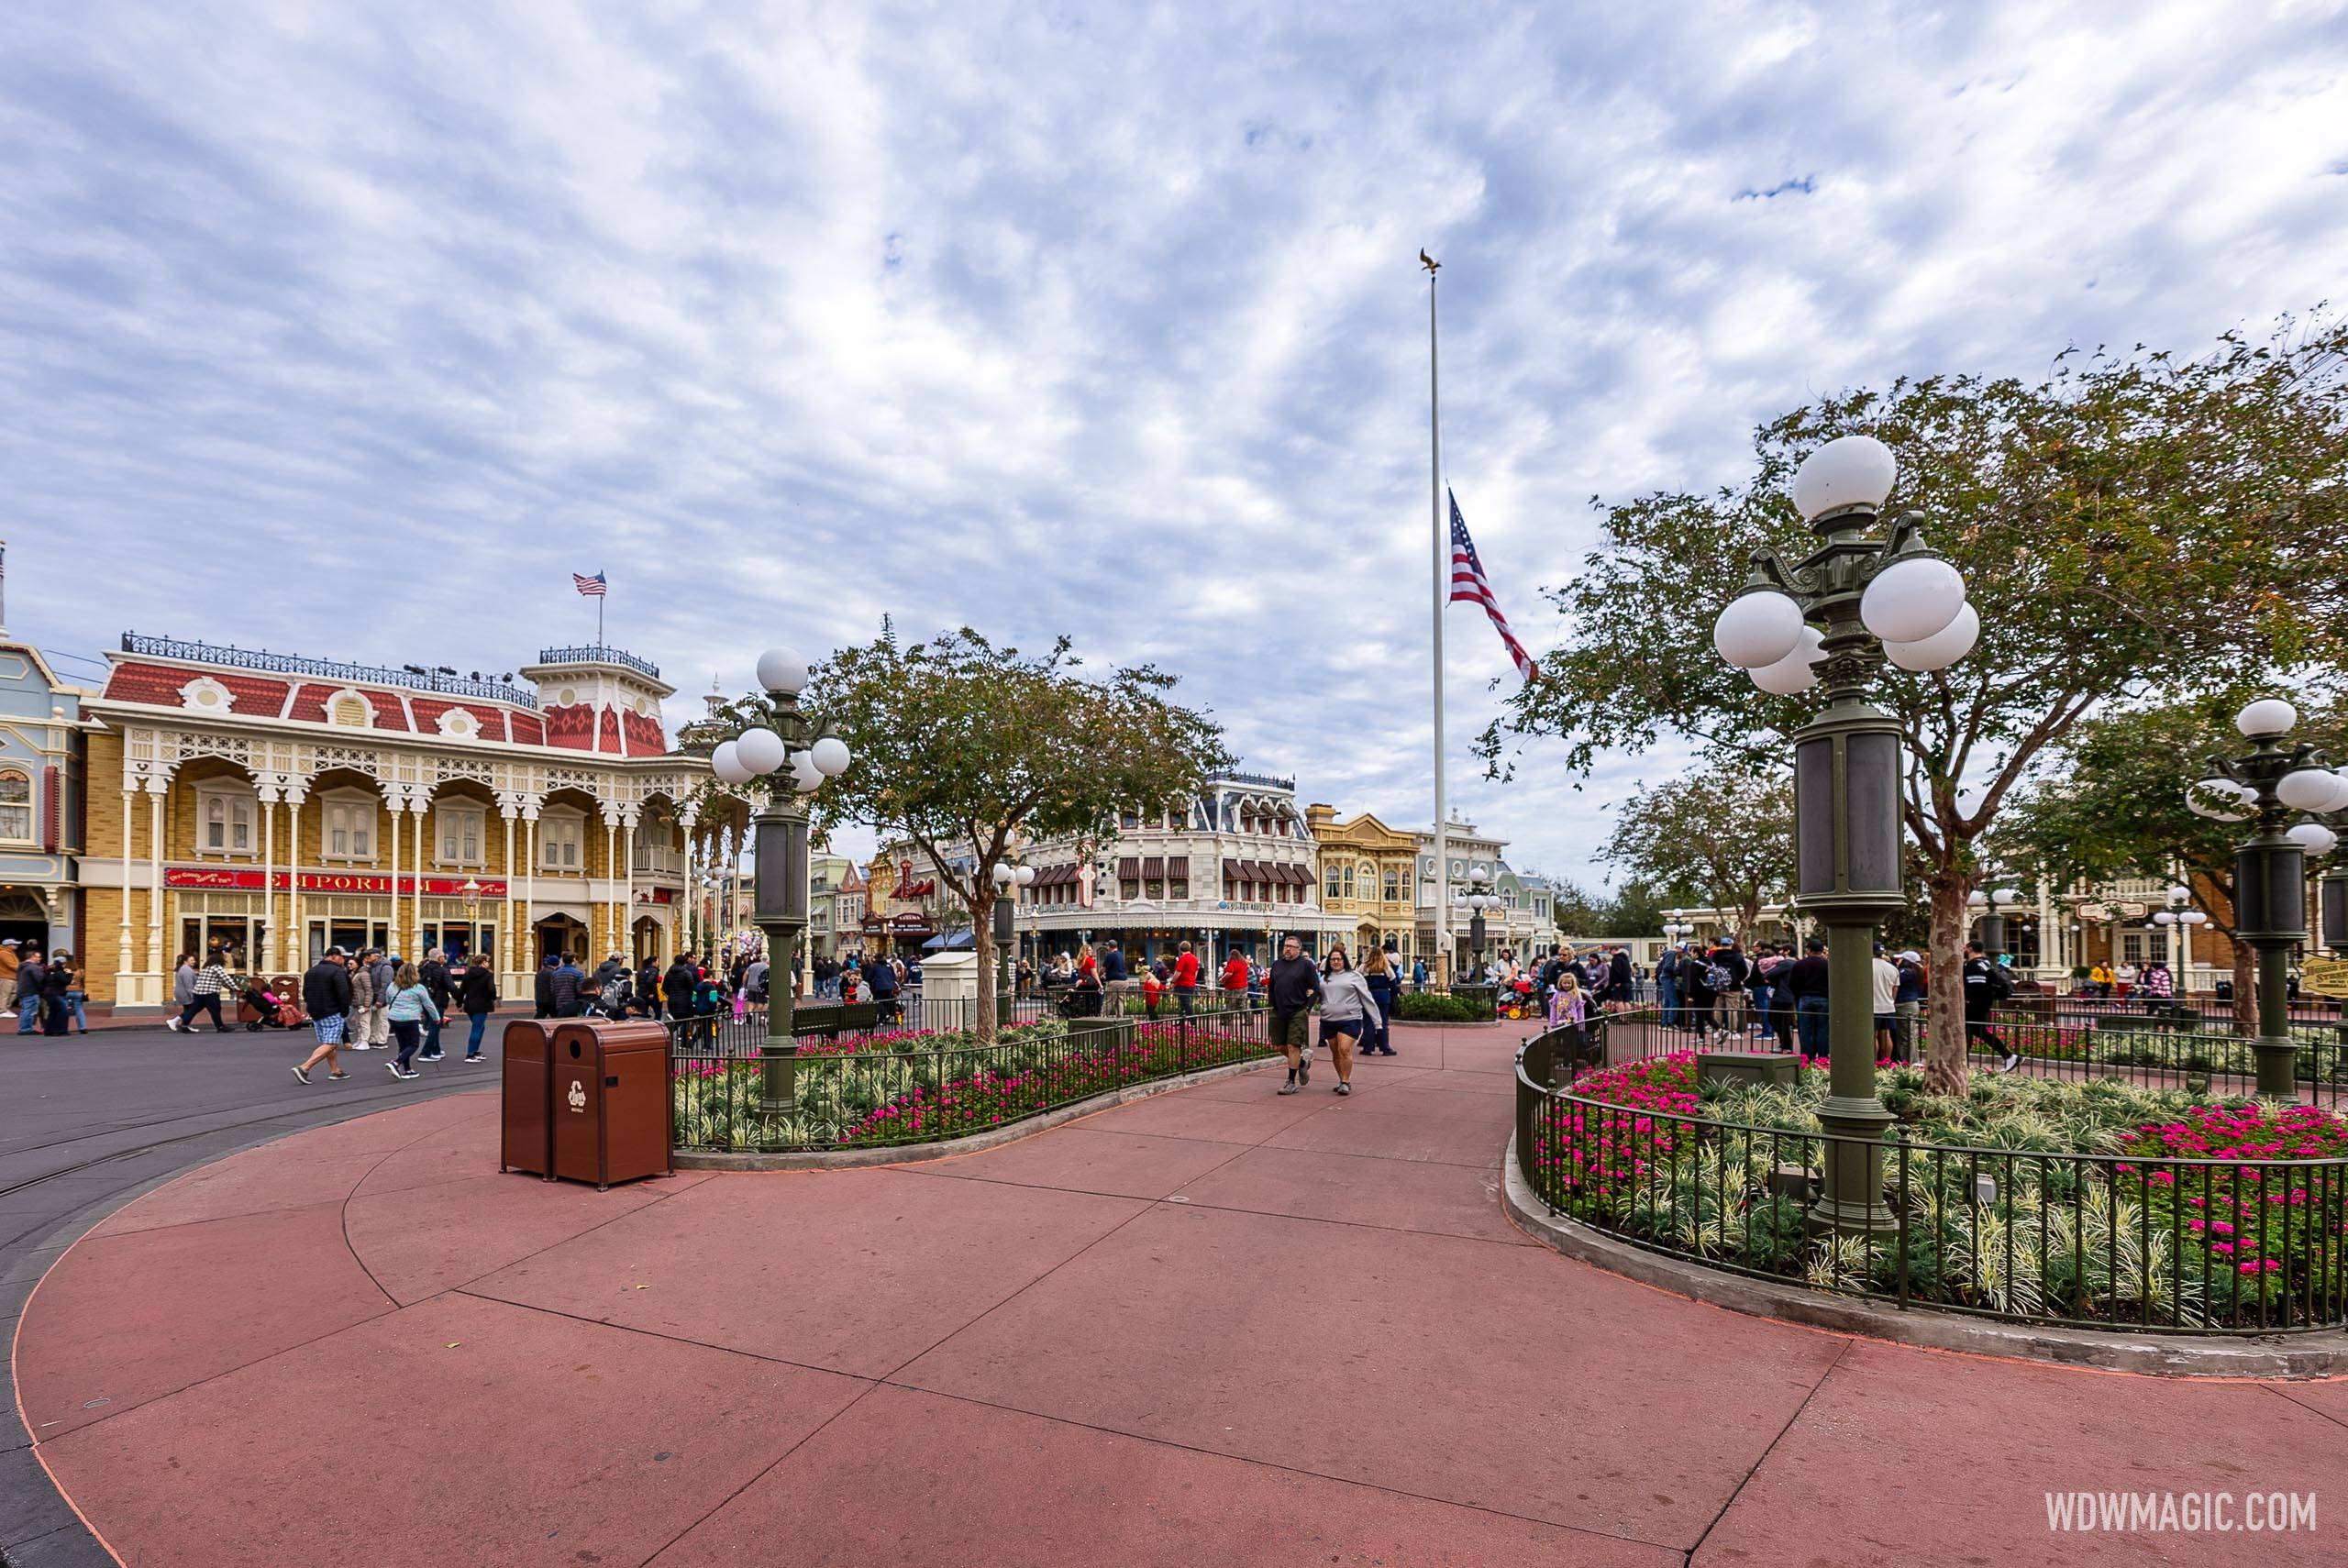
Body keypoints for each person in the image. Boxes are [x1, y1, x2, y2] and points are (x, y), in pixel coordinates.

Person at [1267, 934, 1324, 1095]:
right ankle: (1301, 1063)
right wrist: (1272, 1004)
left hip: (1297, 1010)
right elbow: (1271, 987)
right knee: (1278, 1046)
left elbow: (1315, 988)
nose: (1288, 949)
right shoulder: (1277, 964)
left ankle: (1291, 1081)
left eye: (1292, 946)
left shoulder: (1306, 965)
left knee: (1293, 1045)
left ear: (1299, 949)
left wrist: (1307, 1008)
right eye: (1286, 946)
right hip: (1279, 1010)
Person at [1314, 944, 1374, 1096]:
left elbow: (1366, 997)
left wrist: (1377, 1020)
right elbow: (1318, 996)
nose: (1335, 962)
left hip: (1350, 1018)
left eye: (1339, 959)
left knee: (1344, 1049)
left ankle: (1346, 1081)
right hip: (1329, 1019)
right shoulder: (1324, 979)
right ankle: (1342, 1079)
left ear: (1344, 960)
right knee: (1335, 1051)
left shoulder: (1354, 976)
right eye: (1333, 959)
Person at [292, 947, 355, 1084]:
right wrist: (344, 1010)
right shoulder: (338, 972)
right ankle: (304, 1068)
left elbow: (305, 993)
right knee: (331, 1043)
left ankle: (335, 1070)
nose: (344, 960)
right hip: (332, 1010)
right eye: (342, 957)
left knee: (328, 1042)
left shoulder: (310, 971)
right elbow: (343, 993)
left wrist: (311, 1007)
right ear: (333, 956)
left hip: (315, 1011)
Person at [1963, 940, 2017, 1071]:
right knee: (1970, 1031)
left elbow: (1977, 985)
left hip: (1976, 1004)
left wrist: (1968, 999)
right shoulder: (1985, 963)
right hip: (1982, 1003)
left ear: (1970, 949)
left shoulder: (1974, 965)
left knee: (1975, 1031)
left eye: (1964, 947)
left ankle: (2009, 1056)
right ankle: (1963, 1061)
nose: (1963, 950)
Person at [383, 962, 439, 1079]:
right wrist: (436, 1018)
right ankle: (396, 1063)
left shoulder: (392, 986)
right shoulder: (419, 988)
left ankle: (408, 1070)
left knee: (403, 1044)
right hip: (410, 1018)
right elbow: (428, 1005)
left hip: (394, 1018)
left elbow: (388, 1000)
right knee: (413, 1044)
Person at [170, 949, 236, 1033]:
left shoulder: (206, 968)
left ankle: (184, 1025)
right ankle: (220, 1026)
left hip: (198, 993)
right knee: (215, 1010)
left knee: (193, 1010)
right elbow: (226, 978)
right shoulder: (216, 967)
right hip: (210, 993)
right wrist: (236, 987)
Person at [1788, 938, 1829, 1056]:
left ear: (1809, 950)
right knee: (1823, 1029)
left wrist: (1798, 995)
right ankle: (1823, 1057)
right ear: (1822, 950)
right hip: (1824, 998)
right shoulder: (1827, 964)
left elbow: (1792, 983)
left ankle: (1807, 1057)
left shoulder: (1799, 964)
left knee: (1805, 1030)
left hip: (1805, 998)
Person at [458, 951, 498, 1062]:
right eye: (488, 961)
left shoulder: (467, 974)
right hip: (482, 1004)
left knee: (480, 1027)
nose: (489, 964)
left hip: (469, 1005)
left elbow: (462, 990)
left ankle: (475, 1051)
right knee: (477, 1028)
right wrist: (493, 998)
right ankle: (470, 1054)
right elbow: (491, 989)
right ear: (483, 962)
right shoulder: (488, 974)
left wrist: (459, 1003)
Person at [1362, 946, 1400, 1055]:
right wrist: (1394, 997)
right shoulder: (1386, 968)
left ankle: (1368, 1048)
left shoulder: (1364, 968)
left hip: (1368, 997)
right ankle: (1385, 1047)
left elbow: (1357, 982)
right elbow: (1394, 985)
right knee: (1383, 1023)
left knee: (1368, 1023)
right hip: (1383, 997)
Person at [418, 948, 452, 1060]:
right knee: (435, 1026)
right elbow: (450, 986)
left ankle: (436, 1050)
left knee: (434, 1026)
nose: (445, 958)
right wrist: (460, 999)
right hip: (438, 1001)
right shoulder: (443, 970)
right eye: (443, 956)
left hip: (426, 1001)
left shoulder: (423, 969)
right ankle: (425, 1052)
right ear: (439, 958)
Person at [1869, 943, 1899, 1060]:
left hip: (1872, 1006)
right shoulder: (1892, 968)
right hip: (1888, 1006)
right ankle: (1886, 1062)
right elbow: (1895, 989)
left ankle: (1873, 1062)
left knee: (1873, 1036)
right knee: (1886, 1035)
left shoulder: (1866, 966)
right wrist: (1890, 1001)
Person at [1894, 950, 1927, 1056]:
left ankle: (1906, 1061)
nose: (1898, 961)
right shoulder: (1917, 972)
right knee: (1911, 1036)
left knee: (1905, 1036)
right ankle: (1913, 1059)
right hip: (1912, 1004)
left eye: (1901, 959)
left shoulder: (1905, 972)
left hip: (1904, 1005)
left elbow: (1894, 983)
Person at [17, 946, 50, 1034]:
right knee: (30, 1011)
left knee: (25, 1010)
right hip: (31, 991)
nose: (40, 959)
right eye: (38, 957)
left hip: (23, 991)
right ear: (32, 957)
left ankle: (23, 1028)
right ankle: (26, 1029)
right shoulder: (33, 967)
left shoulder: (22, 966)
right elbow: (40, 979)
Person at [345, 953, 375, 1048]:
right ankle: (360, 1039)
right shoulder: (354, 974)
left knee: (364, 1022)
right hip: (356, 1002)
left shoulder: (363, 974)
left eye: (351, 964)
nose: (349, 966)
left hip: (362, 1002)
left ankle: (365, 1041)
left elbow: (368, 989)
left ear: (357, 964)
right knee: (358, 1023)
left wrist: (367, 1004)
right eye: (348, 964)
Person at [866, 946, 900, 1024]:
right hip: (889, 987)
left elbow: (869, 977)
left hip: (879, 987)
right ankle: (884, 1018)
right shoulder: (889, 966)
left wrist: (870, 983)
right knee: (887, 1002)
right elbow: (894, 977)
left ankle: (885, 1014)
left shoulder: (875, 966)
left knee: (878, 1002)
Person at [548, 952, 585, 1018]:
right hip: (574, 1005)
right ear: (573, 960)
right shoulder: (578, 973)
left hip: (559, 1004)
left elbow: (552, 990)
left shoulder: (555, 974)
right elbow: (580, 991)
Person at [1170, 940, 1201, 1018]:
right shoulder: (1195, 958)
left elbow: (1178, 972)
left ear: (1180, 949)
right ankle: (1181, 1021)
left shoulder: (1183, 958)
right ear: (1189, 948)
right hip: (1191, 984)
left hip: (1183, 984)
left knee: (1185, 1003)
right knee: (1184, 1004)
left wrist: (1173, 981)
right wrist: (1193, 979)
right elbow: (1196, 972)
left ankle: (1192, 1019)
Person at [1656, 944, 1682, 1026]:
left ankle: (1665, 1023)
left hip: (1666, 978)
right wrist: (1677, 971)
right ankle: (1670, 1023)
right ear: (1679, 948)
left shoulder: (1669, 953)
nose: (1682, 953)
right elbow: (1668, 967)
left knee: (1667, 1002)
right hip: (1668, 978)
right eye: (1682, 950)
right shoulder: (1672, 954)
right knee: (1674, 1002)